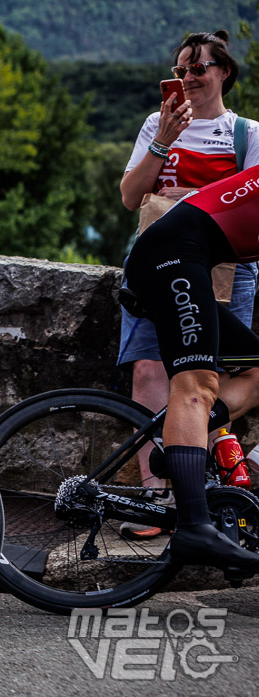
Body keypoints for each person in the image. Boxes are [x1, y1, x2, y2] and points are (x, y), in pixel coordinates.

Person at [117, 30, 259, 537]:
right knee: (151, 375)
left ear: (223, 72)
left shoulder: (245, 133)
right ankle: (156, 499)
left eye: (198, 68)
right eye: (180, 70)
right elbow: (132, 197)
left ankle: (192, 495)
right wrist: (163, 142)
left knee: (207, 377)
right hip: (161, 257)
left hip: (225, 268)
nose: (188, 78)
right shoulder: (158, 123)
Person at [121, 164, 259, 572]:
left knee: (255, 373)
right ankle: (194, 529)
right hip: (170, 254)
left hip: (186, 254)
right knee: (196, 385)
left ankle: (180, 442)